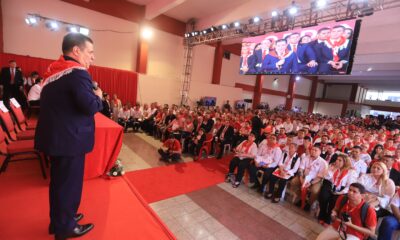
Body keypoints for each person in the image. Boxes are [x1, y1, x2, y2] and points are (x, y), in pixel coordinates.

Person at [34, 33, 103, 240]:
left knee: (59, 183)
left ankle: (60, 220)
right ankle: (65, 227)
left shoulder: (55, 72)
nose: (92, 58)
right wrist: (98, 97)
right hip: (70, 139)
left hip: (57, 137)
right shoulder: (77, 73)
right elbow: (89, 105)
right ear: (76, 51)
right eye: (90, 52)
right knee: (69, 185)